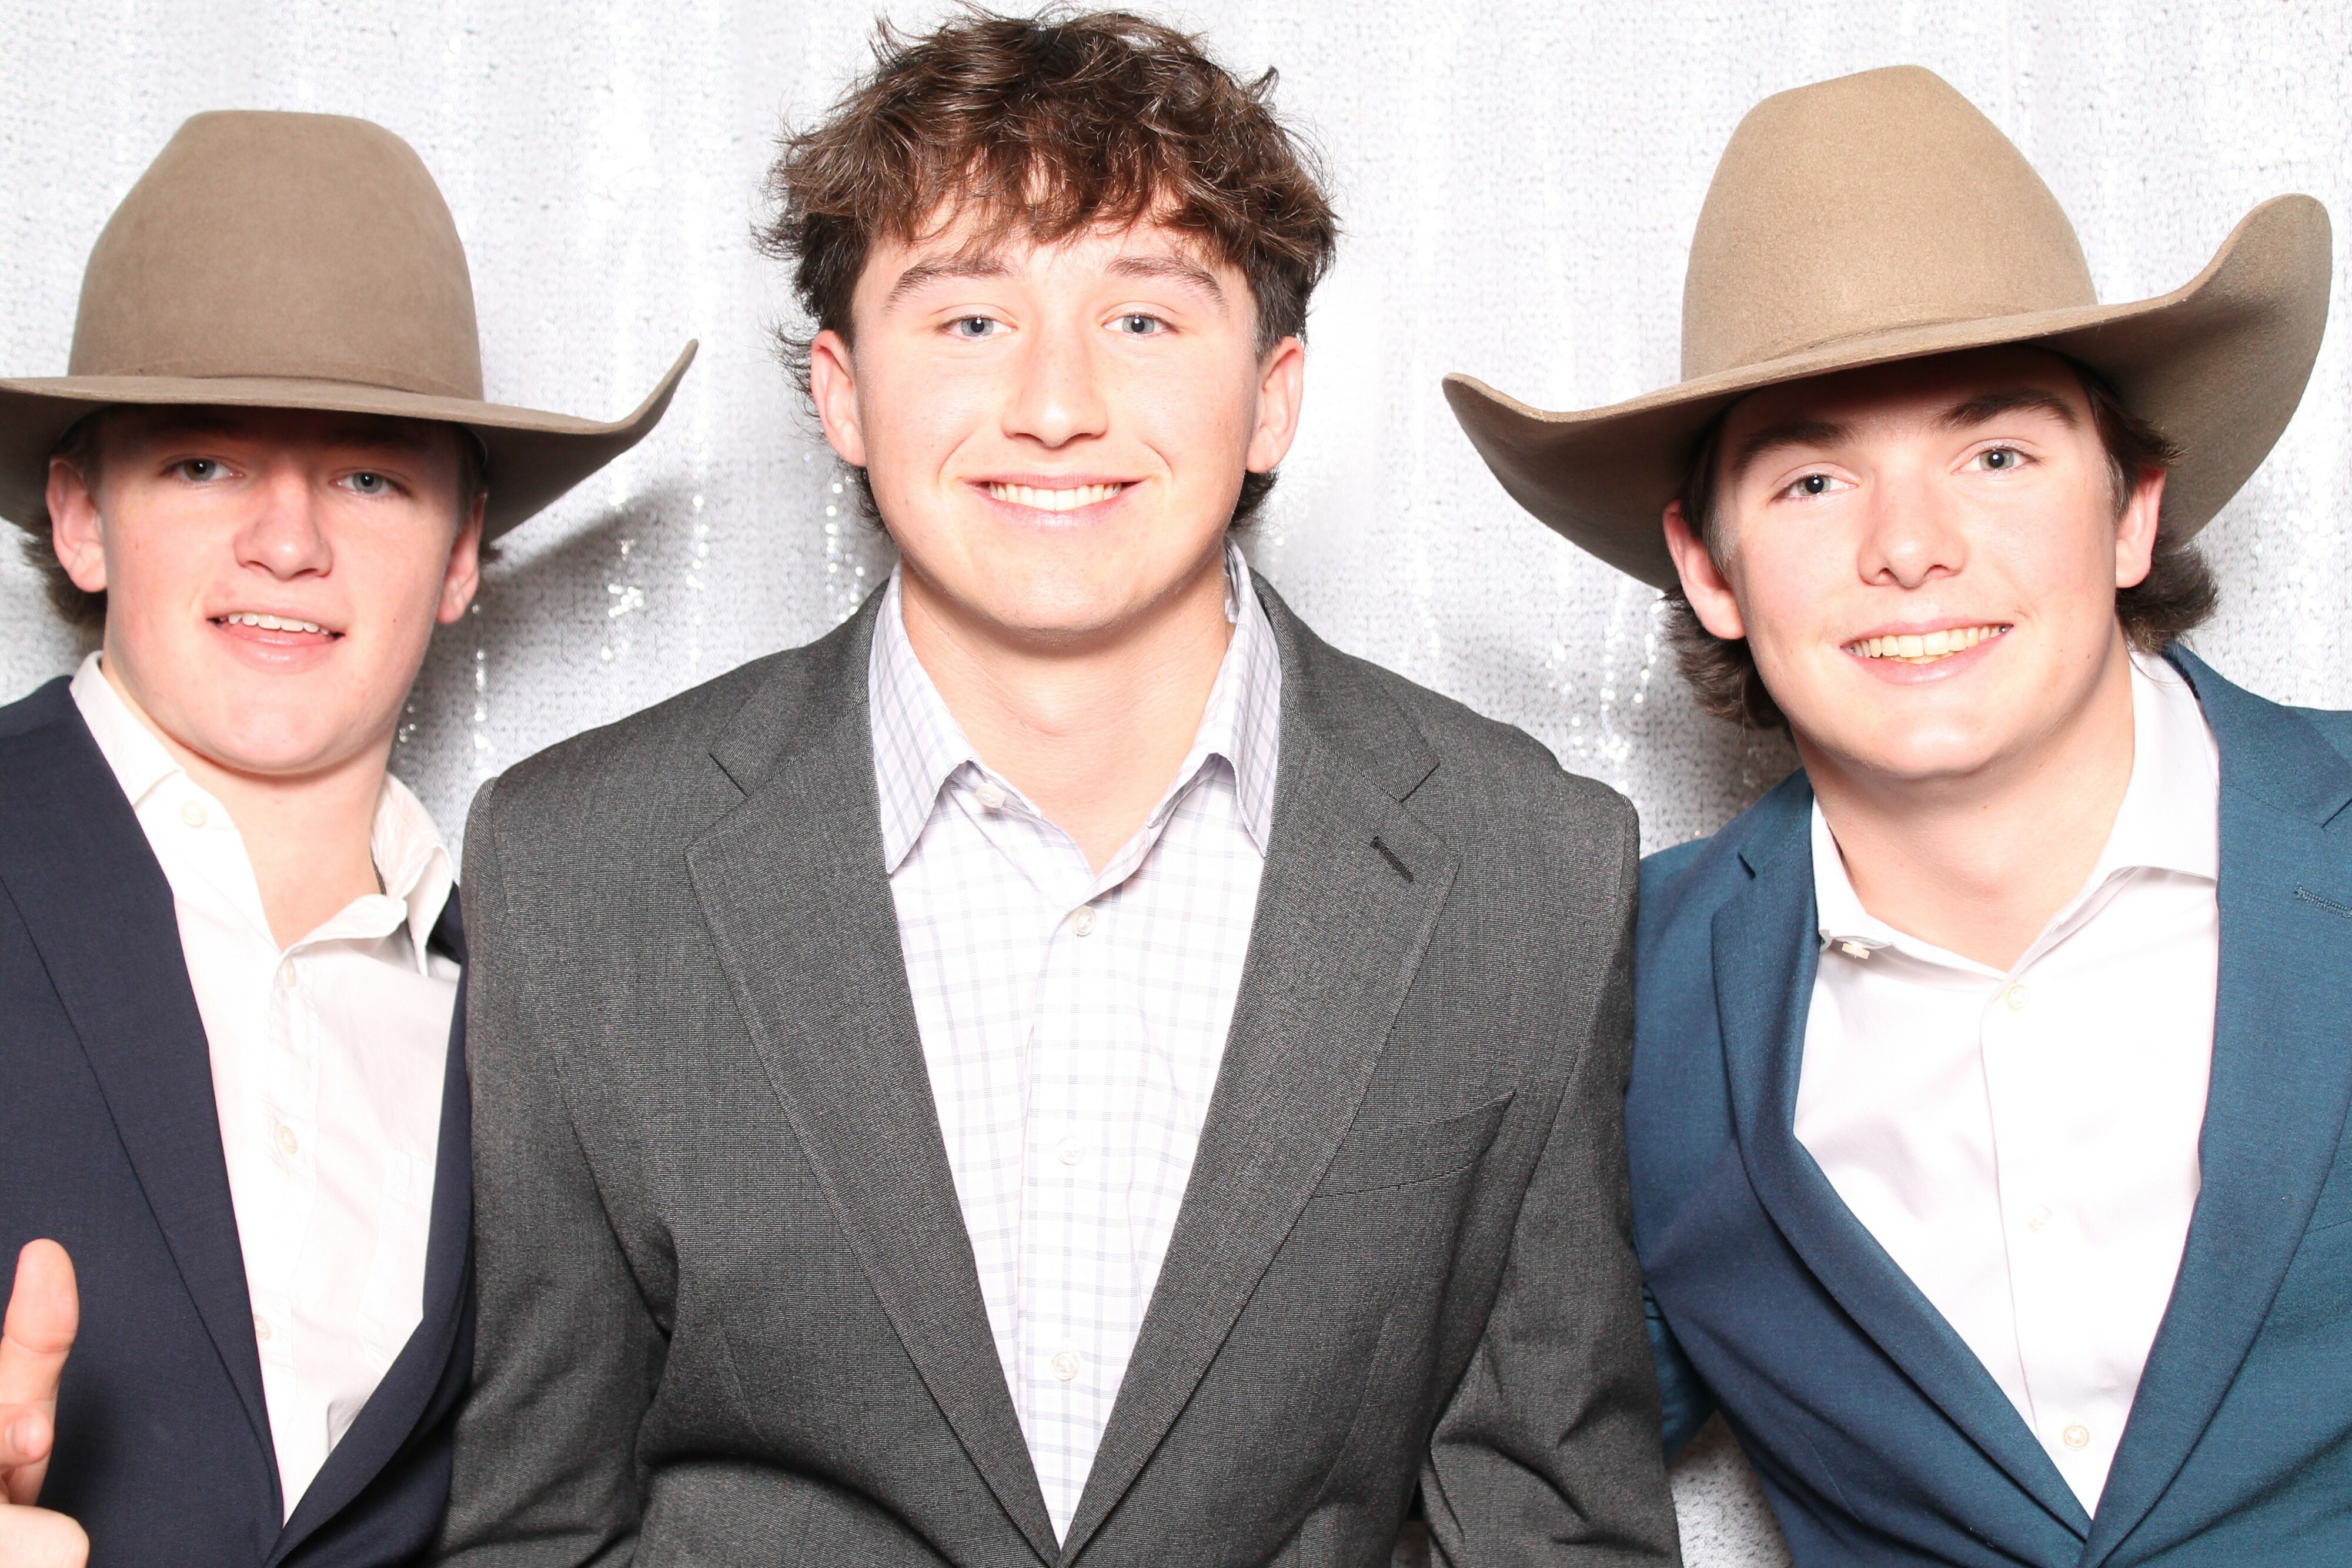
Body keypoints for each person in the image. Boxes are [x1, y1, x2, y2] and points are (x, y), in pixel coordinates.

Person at [435, 12, 1680, 1566]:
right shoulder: (576, 864)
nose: (1053, 402)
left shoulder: (1529, 865)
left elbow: (1551, 1524)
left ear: (1272, 397)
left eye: (1143, 318)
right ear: (841, 391)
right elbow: (530, 1522)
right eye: (969, 319)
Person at [1448, 65, 2340, 1567]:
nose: (1909, 547)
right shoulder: (1615, 992)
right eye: (1810, 481)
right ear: (1710, 567)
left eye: (1994, 457)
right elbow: (1515, 1462)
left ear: (2128, 506)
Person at [0, 111, 690, 1567]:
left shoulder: (548, 987)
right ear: (80, 516)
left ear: (458, 552)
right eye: (202, 465)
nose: (289, 540)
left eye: (370, 477)